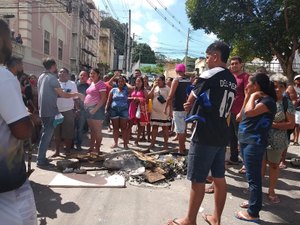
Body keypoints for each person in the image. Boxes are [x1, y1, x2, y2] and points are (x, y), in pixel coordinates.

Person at [168, 41, 236, 225]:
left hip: (205, 132)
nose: (205, 61)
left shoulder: (209, 74)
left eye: (207, 57)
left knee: (198, 180)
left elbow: (191, 99)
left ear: (215, 56)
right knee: (219, 178)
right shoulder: (232, 79)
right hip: (222, 132)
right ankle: (216, 218)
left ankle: (189, 220)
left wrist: (188, 103)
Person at [0, 18, 37, 225]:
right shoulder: (3, 77)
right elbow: (23, 131)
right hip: (7, 189)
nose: (12, 43)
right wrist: (30, 121)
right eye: (9, 38)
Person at [235, 73, 276, 222]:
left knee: (254, 178)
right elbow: (241, 117)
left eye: (249, 84)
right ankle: (254, 202)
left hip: (254, 143)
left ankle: (253, 212)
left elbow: (250, 113)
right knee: (251, 177)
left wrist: (251, 97)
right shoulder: (257, 99)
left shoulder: (268, 101)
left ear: (256, 85)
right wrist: (248, 96)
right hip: (247, 141)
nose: (246, 86)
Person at [37, 58, 83, 167]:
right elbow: (63, 95)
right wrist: (77, 94)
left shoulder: (41, 77)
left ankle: (41, 158)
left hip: (43, 111)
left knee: (45, 136)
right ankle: (41, 160)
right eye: (56, 66)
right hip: (50, 111)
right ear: (53, 66)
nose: (57, 69)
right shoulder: (52, 78)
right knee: (47, 137)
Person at [261, 74, 295, 204]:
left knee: (274, 166)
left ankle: (271, 190)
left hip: (277, 141)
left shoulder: (287, 103)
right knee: (260, 165)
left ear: (285, 88)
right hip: (261, 138)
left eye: (281, 86)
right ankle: (257, 191)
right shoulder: (264, 100)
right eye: (275, 86)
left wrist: (273, 124)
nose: (278, 89)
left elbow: (291, 124)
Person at [52, 68, 79, 157]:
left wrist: (77, 109)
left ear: (68, 74)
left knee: (68, 132)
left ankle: (67, 151)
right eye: (60, 72)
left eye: (64, 72)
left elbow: (76, 98)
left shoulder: (72, 84)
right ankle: (57, 152)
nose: (62, 73)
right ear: (58, 74)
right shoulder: (54, 82)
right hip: (56, 111)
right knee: (56, 132)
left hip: (68, 111)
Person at [228, 56, 250, 165]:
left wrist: (242, 112)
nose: (234, 65)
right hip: (229, 112)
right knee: (231, 137)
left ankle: (245, 163)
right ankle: (234, 158)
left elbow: (247, 96)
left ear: (241, 64)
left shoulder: (246, 77)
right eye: (232, 64)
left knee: (241, 137)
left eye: (236, 63)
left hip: (239, 113)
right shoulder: (230, 76)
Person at [166, 63, 191, 154]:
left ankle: (180, 150)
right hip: (186, 108)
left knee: (180, 130)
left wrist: (167, 108)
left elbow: (170, 95)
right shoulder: (188, 80)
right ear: (184, 71)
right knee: (184, 129)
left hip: (178, 107)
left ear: (176, 71)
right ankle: (183, 146)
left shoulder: (176, 80)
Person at [84, 68, 107, 155]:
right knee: (92, 130)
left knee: (97, 130)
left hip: (96, 109)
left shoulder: (101, 84)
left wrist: (95, 109)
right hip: (88, 109)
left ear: (98, 75)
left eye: (93, 73)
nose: (91, 75)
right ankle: (91, 147)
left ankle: (97, 149)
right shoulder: (92, 83)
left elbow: (103, 98)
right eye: (90, 73)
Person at [105, 76, 130, 149]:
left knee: (124, 128)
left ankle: (125, 144)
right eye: (119, 81)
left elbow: (132, 88)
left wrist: (126, 83)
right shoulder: (113, 90)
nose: (121, 83)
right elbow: (109, 100)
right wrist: (106, 109)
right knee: (115, 128)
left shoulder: (126, 90)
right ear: (117, 83)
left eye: (122, 81)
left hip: (124, 111)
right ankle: (115, 143)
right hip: (114, 111)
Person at [148, 75, 171, 150]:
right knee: (154, 127)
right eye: (156, 80)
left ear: (163, 81)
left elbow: (170, 100)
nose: (157, 82)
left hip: (164, 111)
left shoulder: (168, 89)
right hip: (155, 112)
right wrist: (153, 88)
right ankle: (152, 143)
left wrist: (170, 110)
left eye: (159, 80)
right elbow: (150, 97)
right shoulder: (155, 88)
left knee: (165, 128)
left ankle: (165, 145)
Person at [128, 76, 149, 146]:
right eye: (137, 81)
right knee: (129, 124)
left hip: (140, 109)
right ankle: (127, 140)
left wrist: (139, 99)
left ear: (142, 82)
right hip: (133, 108)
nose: (137, 82)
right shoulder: (134, 89)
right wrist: (131, 98)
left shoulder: (144, 90)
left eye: (139, 81)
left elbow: (147, 100)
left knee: (140, 125)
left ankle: (136, 141)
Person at [74, 70, 90, 150]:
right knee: (72, 128)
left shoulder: (88, 87)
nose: (82, 77)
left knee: (80, 128)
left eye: (84, 75)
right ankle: (70, 144)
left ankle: (78, 145)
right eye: (81, 75)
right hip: (72, 109)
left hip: (83, 111)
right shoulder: (74, 85)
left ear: (87, 77)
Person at [292, 74, 300, 145]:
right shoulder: (292, 88)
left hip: (299, 109)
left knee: (297, 124)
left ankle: (296, 140)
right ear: (295, 81)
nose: (299, 80)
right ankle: (293, 138)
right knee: (293, 124)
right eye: (297, 79)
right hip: (292, 108)